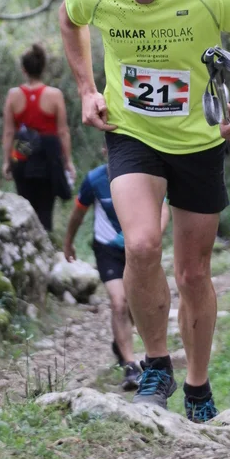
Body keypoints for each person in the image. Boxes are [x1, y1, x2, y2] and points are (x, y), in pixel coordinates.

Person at [59, 0, 230, 423]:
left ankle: (198, 387)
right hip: (132, 133)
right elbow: (70, 20)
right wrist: (87, 89)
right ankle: (156, 365)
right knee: (139, 245)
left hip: (199, 140)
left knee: (193, 272)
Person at [63, 152, 170, 391]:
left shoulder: (146, 174)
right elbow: (78, 213)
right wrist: (68, 242)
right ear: (104, 150)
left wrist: (153, 236)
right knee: (119, 302)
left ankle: (121, 344)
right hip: (107, 249)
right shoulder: (94, 180)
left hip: (139, 247)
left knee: (134, 303)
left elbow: (163, 209)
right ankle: (131, 365)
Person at [2, 43, 76, 231]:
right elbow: (63, 131)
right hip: (48, 154)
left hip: (21, 152)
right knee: (45, 207)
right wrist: (68, 162)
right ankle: (44, 240)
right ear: (43, 67)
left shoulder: (13, 95)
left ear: (23, 69)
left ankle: (25, 240)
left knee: (24, 204)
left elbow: (9, 132)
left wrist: (6, 162)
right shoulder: (55, 95)